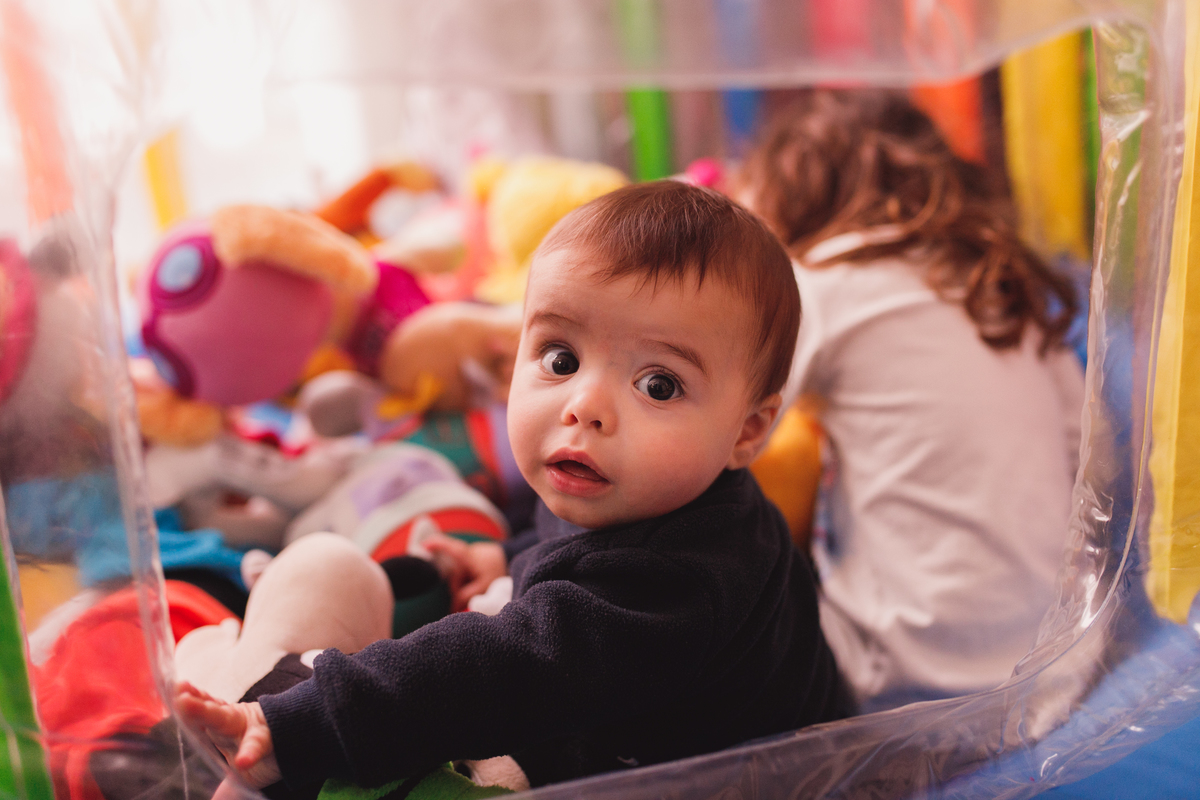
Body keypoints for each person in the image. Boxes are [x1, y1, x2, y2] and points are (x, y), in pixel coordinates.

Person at [176, 180, 852, 793]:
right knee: (347, 580)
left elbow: (507, 669)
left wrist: (308, 722)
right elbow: (557, 538)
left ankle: (271, 702)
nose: (585, 406)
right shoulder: (624, 481)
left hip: (714, 779)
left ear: (748, 431)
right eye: (561, 359)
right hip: (616, 726)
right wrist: (507, 560)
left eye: (659, 385)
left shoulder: (686, 579)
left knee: (385, 692)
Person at [736, 89, 1085, 712]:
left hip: (898, 675)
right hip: (1054, 672)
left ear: (789, 198)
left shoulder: (825, 281)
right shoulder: (1006, 291)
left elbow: (710, 411)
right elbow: (1083, 454)